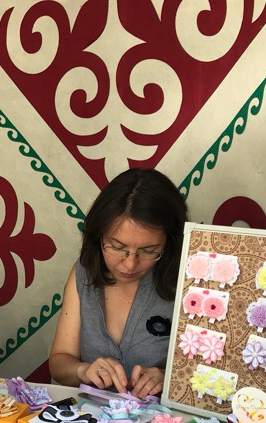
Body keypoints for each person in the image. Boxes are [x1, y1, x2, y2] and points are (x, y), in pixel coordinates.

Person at [49, 168, 187, 397]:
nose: (130, 264)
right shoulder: (85, 270)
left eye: (149, 251)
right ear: (98, 236)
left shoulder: (189, 281)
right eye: (117, 247)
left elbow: (213, 375)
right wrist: (83, 370)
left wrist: (171, 378)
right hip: (91, 415)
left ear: (169, 244)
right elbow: (59, 361)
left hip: (163, 418)